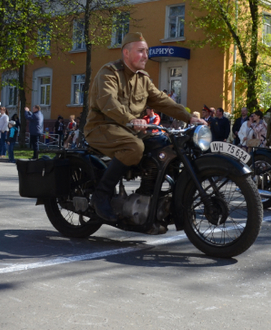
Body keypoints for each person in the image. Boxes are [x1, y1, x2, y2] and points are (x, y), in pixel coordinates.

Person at [84, 32, 203, 222]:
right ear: (126, 53)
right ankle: (101, 195)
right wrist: (131, 119)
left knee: (166, 145)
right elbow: (109, 103)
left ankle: (150, 194)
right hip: (102, 128)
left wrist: (189, 118)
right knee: (134, 147)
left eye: (147, 51)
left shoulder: (143, 79)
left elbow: (162, 101)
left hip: (130, 130)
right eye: (141, 51)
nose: (146, 56)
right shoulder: (109, 73)